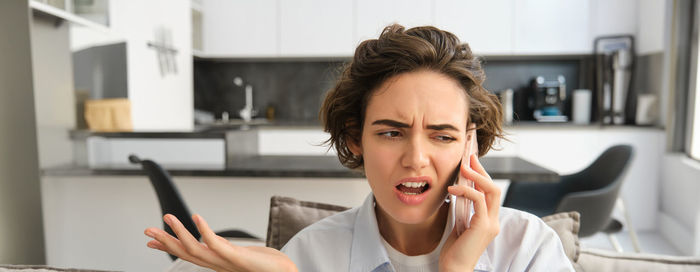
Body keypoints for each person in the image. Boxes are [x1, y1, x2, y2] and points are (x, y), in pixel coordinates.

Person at [144, 24, 575, 272]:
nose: (416, 158)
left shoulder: (528, 249)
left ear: (470, 143)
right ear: (355, 138)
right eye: (391, 132)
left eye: (442, 135)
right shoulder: (309, 256)